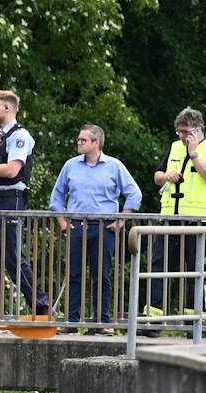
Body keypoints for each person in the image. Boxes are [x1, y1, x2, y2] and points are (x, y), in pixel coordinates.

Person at [48, 124, 142, 332]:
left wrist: (121, 221)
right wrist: (63, 224)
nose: (78, 143)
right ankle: (72, 322)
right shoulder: (71, 166)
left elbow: (134, 193)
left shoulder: (115, 166)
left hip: (104, 228)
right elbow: (56, 196)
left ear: (96, 143)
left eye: (83, 140)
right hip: (77, 227)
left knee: (102, 275)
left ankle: (101, 322)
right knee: (74, 274)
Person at [141, 107, 206, 330]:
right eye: (178, 131)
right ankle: (153, 319)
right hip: (170, 217)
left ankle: (193, 321)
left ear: (197, 130)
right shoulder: (174, 147)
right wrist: (165, 176)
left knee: (196, 271)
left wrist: (194, 153)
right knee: (159, 266)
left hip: (198, 221)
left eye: (185, 131)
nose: (181, 135)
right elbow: (157, 176)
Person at [0, 89, 46, 320]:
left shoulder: (19, 136)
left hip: (11, 199)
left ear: (7, 108)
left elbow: (12, 169)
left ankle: (40, 303)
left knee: (11, 257)